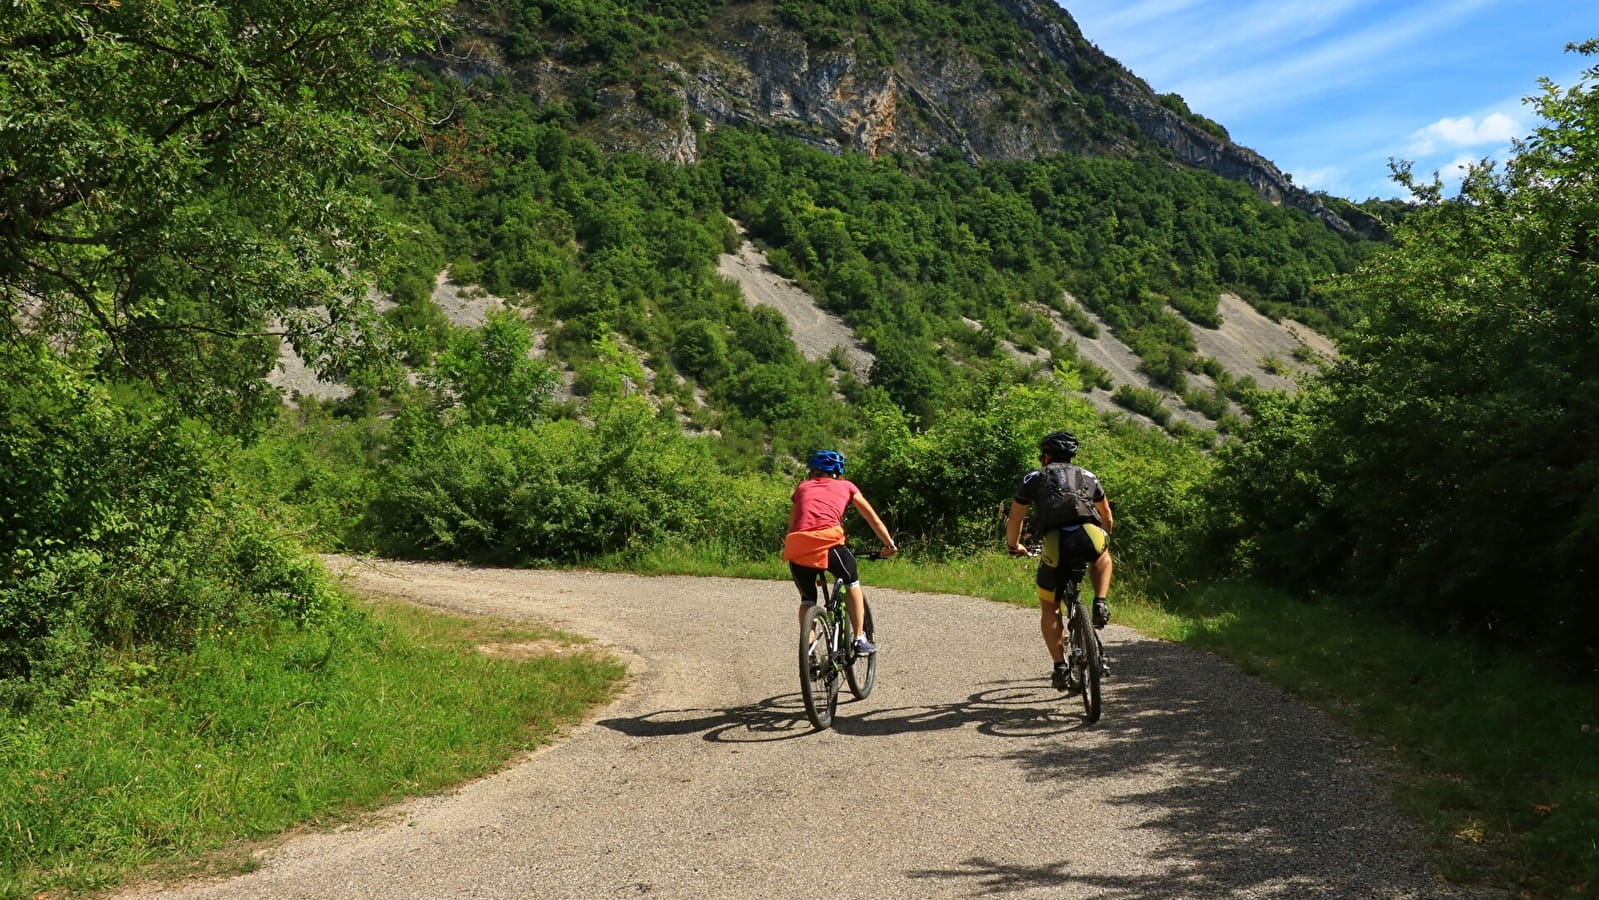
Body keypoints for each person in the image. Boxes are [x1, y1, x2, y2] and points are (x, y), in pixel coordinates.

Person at [1005, 430, 1114, 691]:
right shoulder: (1088, 476)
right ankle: (1100, 602)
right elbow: (1106, 515)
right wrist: (1103, 538)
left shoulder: (1033, 478)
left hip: (1056, 542)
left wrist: (1013, 545)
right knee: (1103, 554)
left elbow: (1016, 517)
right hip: (1088, 535)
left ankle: (1060, 667)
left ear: (1047, 456)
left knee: (1049, 607)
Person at [783, 449, 898, 655]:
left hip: (797, 546)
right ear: (838, 471)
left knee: (808, 599)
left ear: (813, 471)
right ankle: (860, 639)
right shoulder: (847, 486)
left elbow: (792, 524)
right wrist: (889, 545)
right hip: (830, 543)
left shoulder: (802, 488)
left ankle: (809, 648)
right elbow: (873, 519)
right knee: (851, 580)